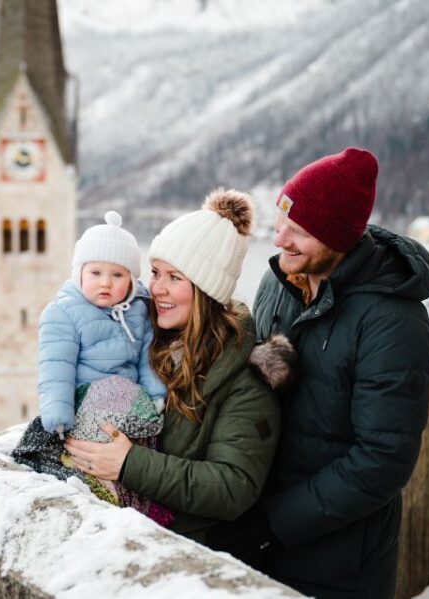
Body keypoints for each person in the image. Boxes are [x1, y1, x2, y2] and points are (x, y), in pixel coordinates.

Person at [251, 148, 429, 599]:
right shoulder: (276, 284)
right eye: (279, 224)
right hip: (260, 536)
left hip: (338, 559)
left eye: (297, 232)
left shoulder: (393, 321)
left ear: (336, 236)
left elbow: (382, 460)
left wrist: (273, 522)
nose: (280, 241)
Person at [63, 189, 293, 546]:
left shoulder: (245, 380)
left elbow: (233, 487)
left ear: (205, 290)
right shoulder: (141, 339)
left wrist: (129, 464)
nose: (156, 288)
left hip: (182, 550)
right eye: (155, 272)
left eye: (175, 278)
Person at [38, 210, 167, 436]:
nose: (105, 283)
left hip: (127, 401)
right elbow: (57, 368)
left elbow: (148, 358)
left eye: (117, 275)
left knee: (150, 428)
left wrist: (156, 394)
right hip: (85, 401)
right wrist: (58, 415)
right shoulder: (64, 312)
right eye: (95, 273)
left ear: (130, 281)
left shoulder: (139, 309)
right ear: (80, 273)